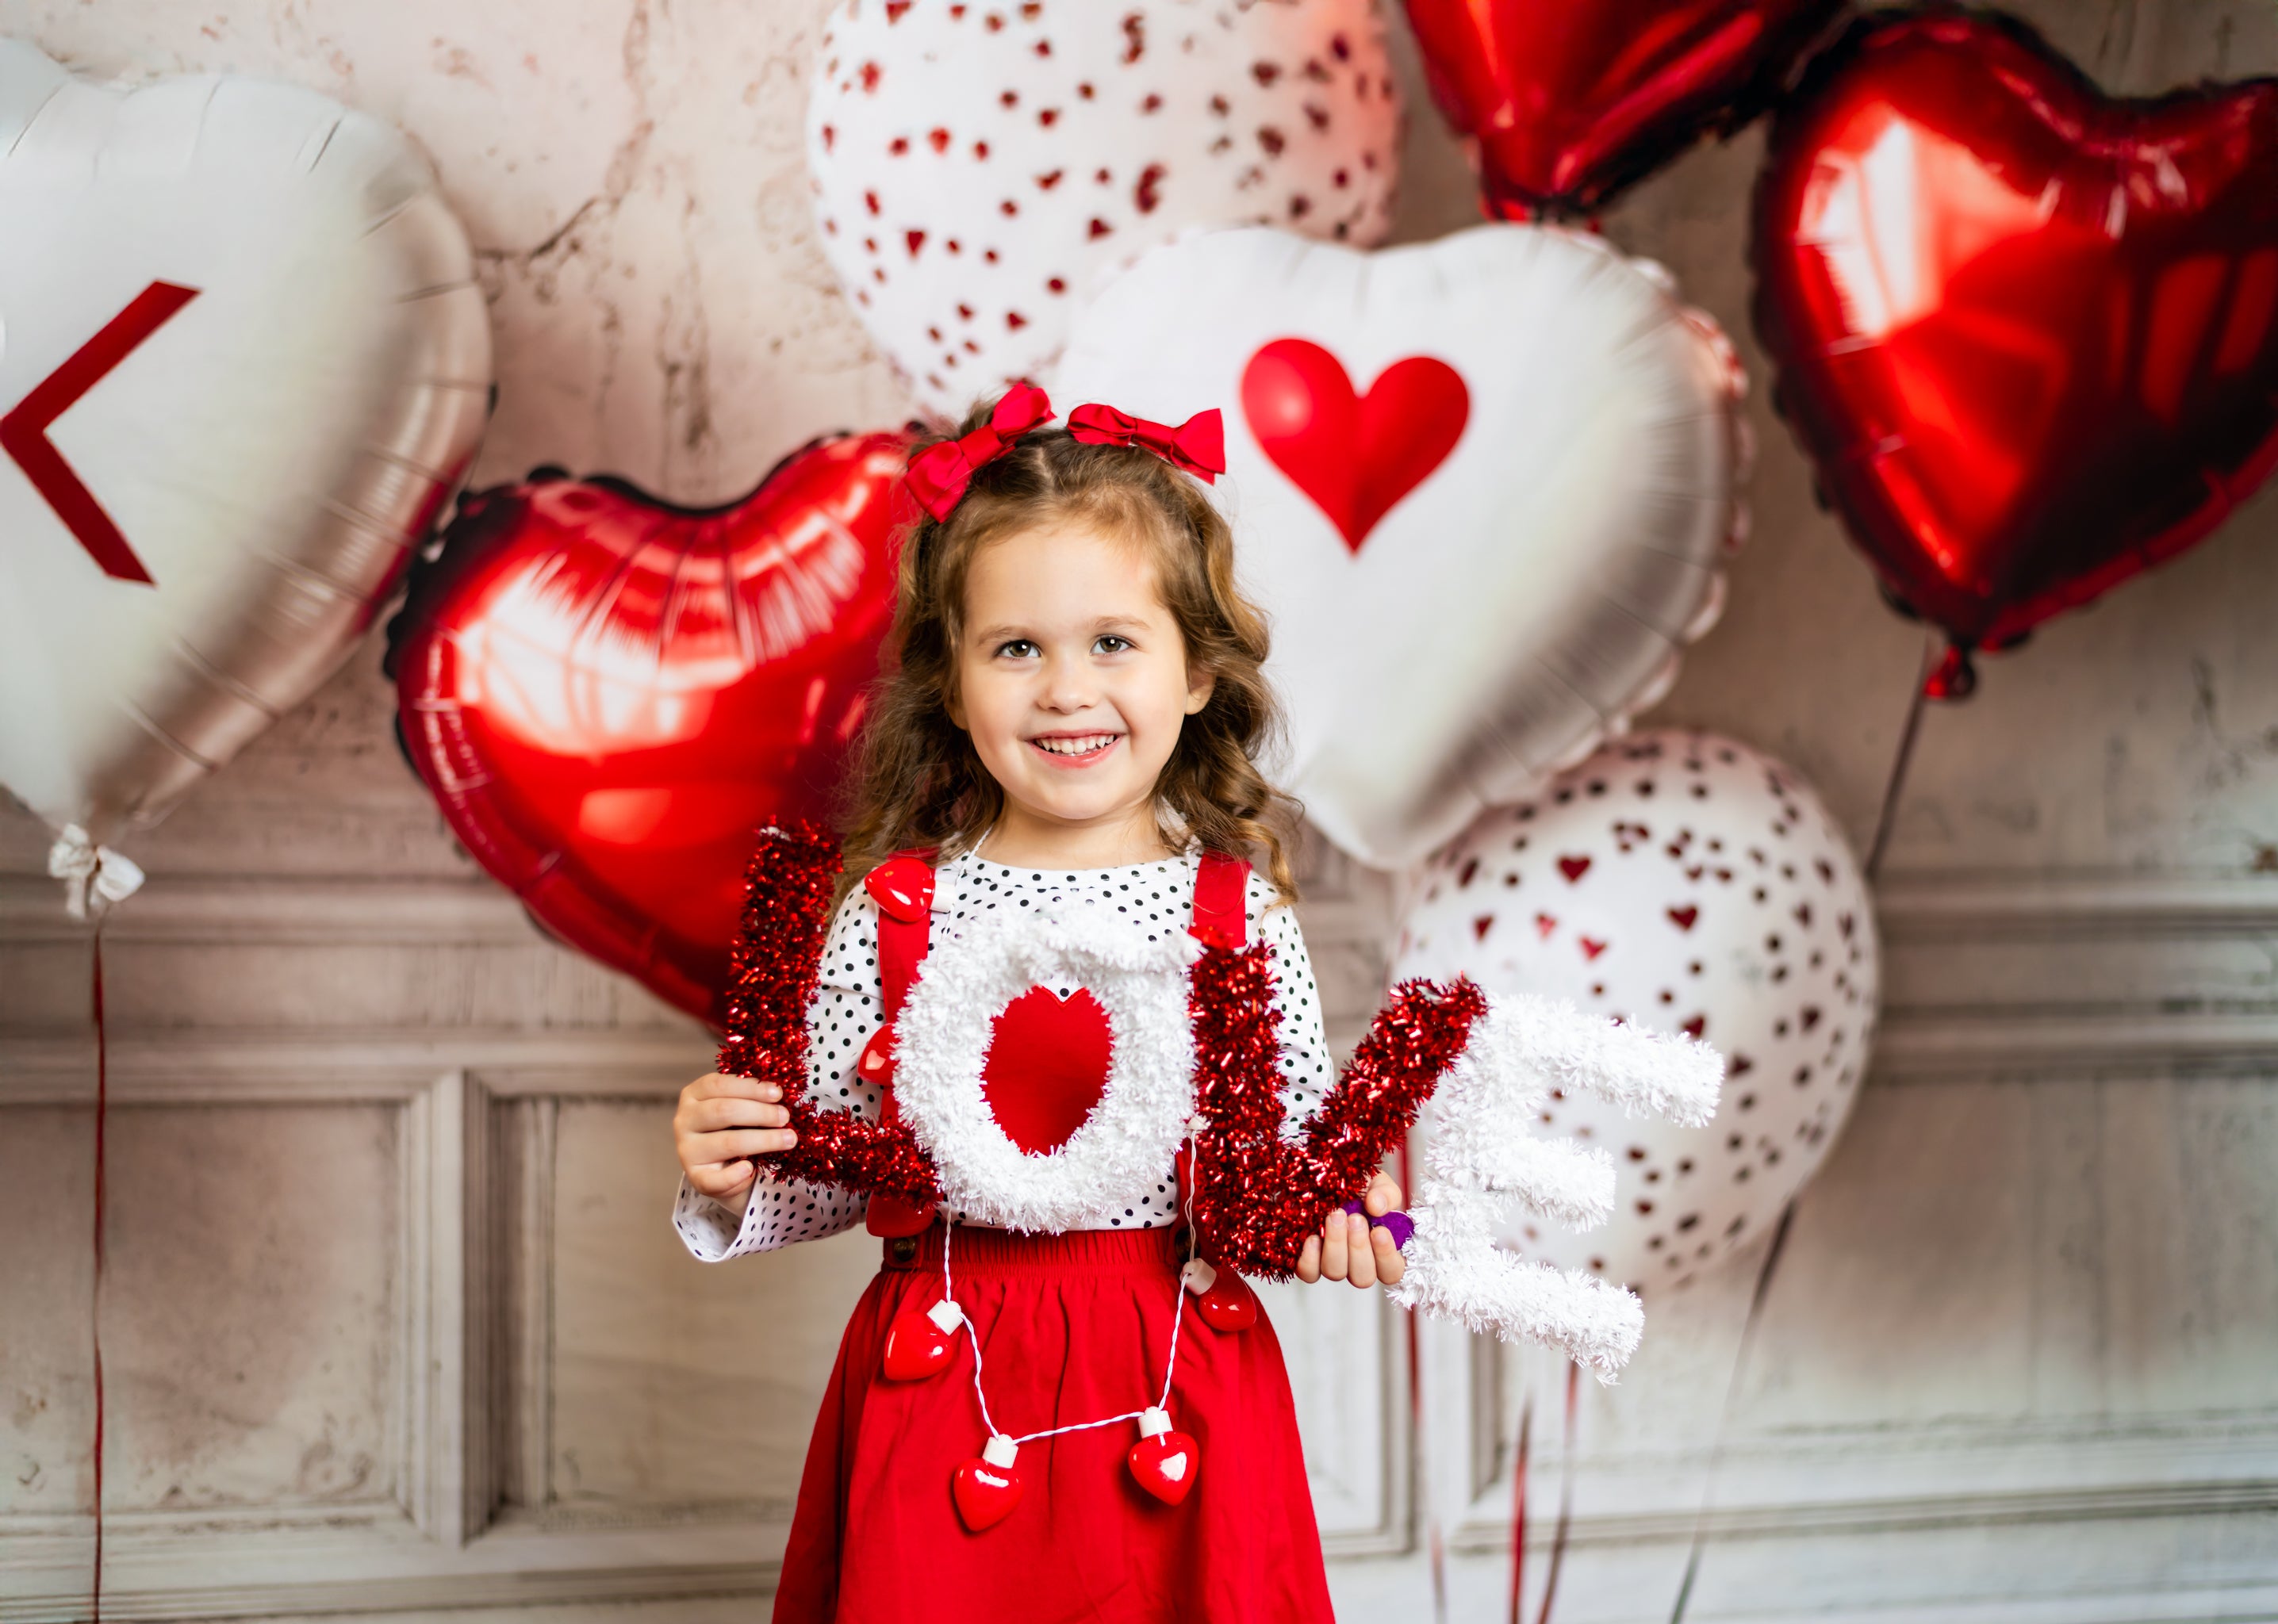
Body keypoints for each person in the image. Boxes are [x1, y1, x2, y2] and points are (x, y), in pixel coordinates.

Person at [668, 383, 1406, 1623]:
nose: (1067, 689)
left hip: (1178, 1390)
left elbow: (1282, 1168)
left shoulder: (1237, 921)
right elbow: (835, 1165)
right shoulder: (899, 911)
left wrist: (1349, 1206)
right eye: (1018, 648)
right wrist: (732, 1173)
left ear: (1194, 676)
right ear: (953, 687)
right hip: (941, 1384)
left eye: (1113, 642)